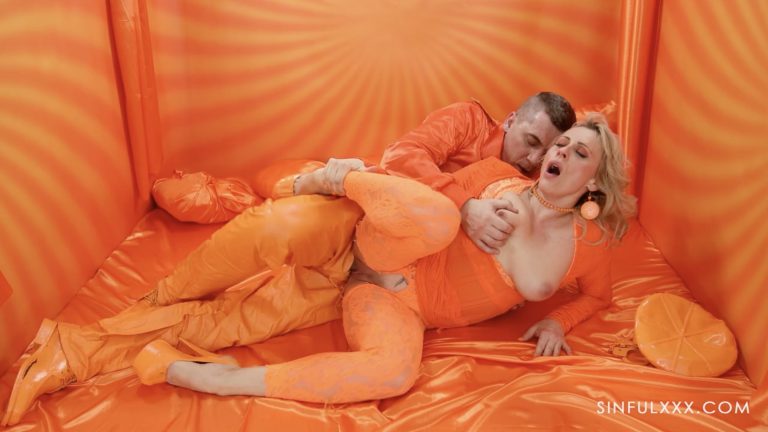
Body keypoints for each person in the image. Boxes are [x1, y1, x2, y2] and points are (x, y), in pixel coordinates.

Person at [1, 113, 635, 424]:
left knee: (391, 369)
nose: (558, 151)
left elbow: (598, 298)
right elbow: (418, 190)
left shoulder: (590, 245)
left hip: (390, 300)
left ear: (595, 181)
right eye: (558, 142)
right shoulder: (495, 176)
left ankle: (124, 362)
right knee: (430, 218)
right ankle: (334, 175)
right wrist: (467, 206)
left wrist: (559, 322)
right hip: (379, 242)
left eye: (577, 151)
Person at [380, 92, 576, 254]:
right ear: (510, 122)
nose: (534, 159)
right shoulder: (469, 120)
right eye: (531, 142)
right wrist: (464, 207)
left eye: (545, 154)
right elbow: (401, 154)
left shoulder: (546, 175)